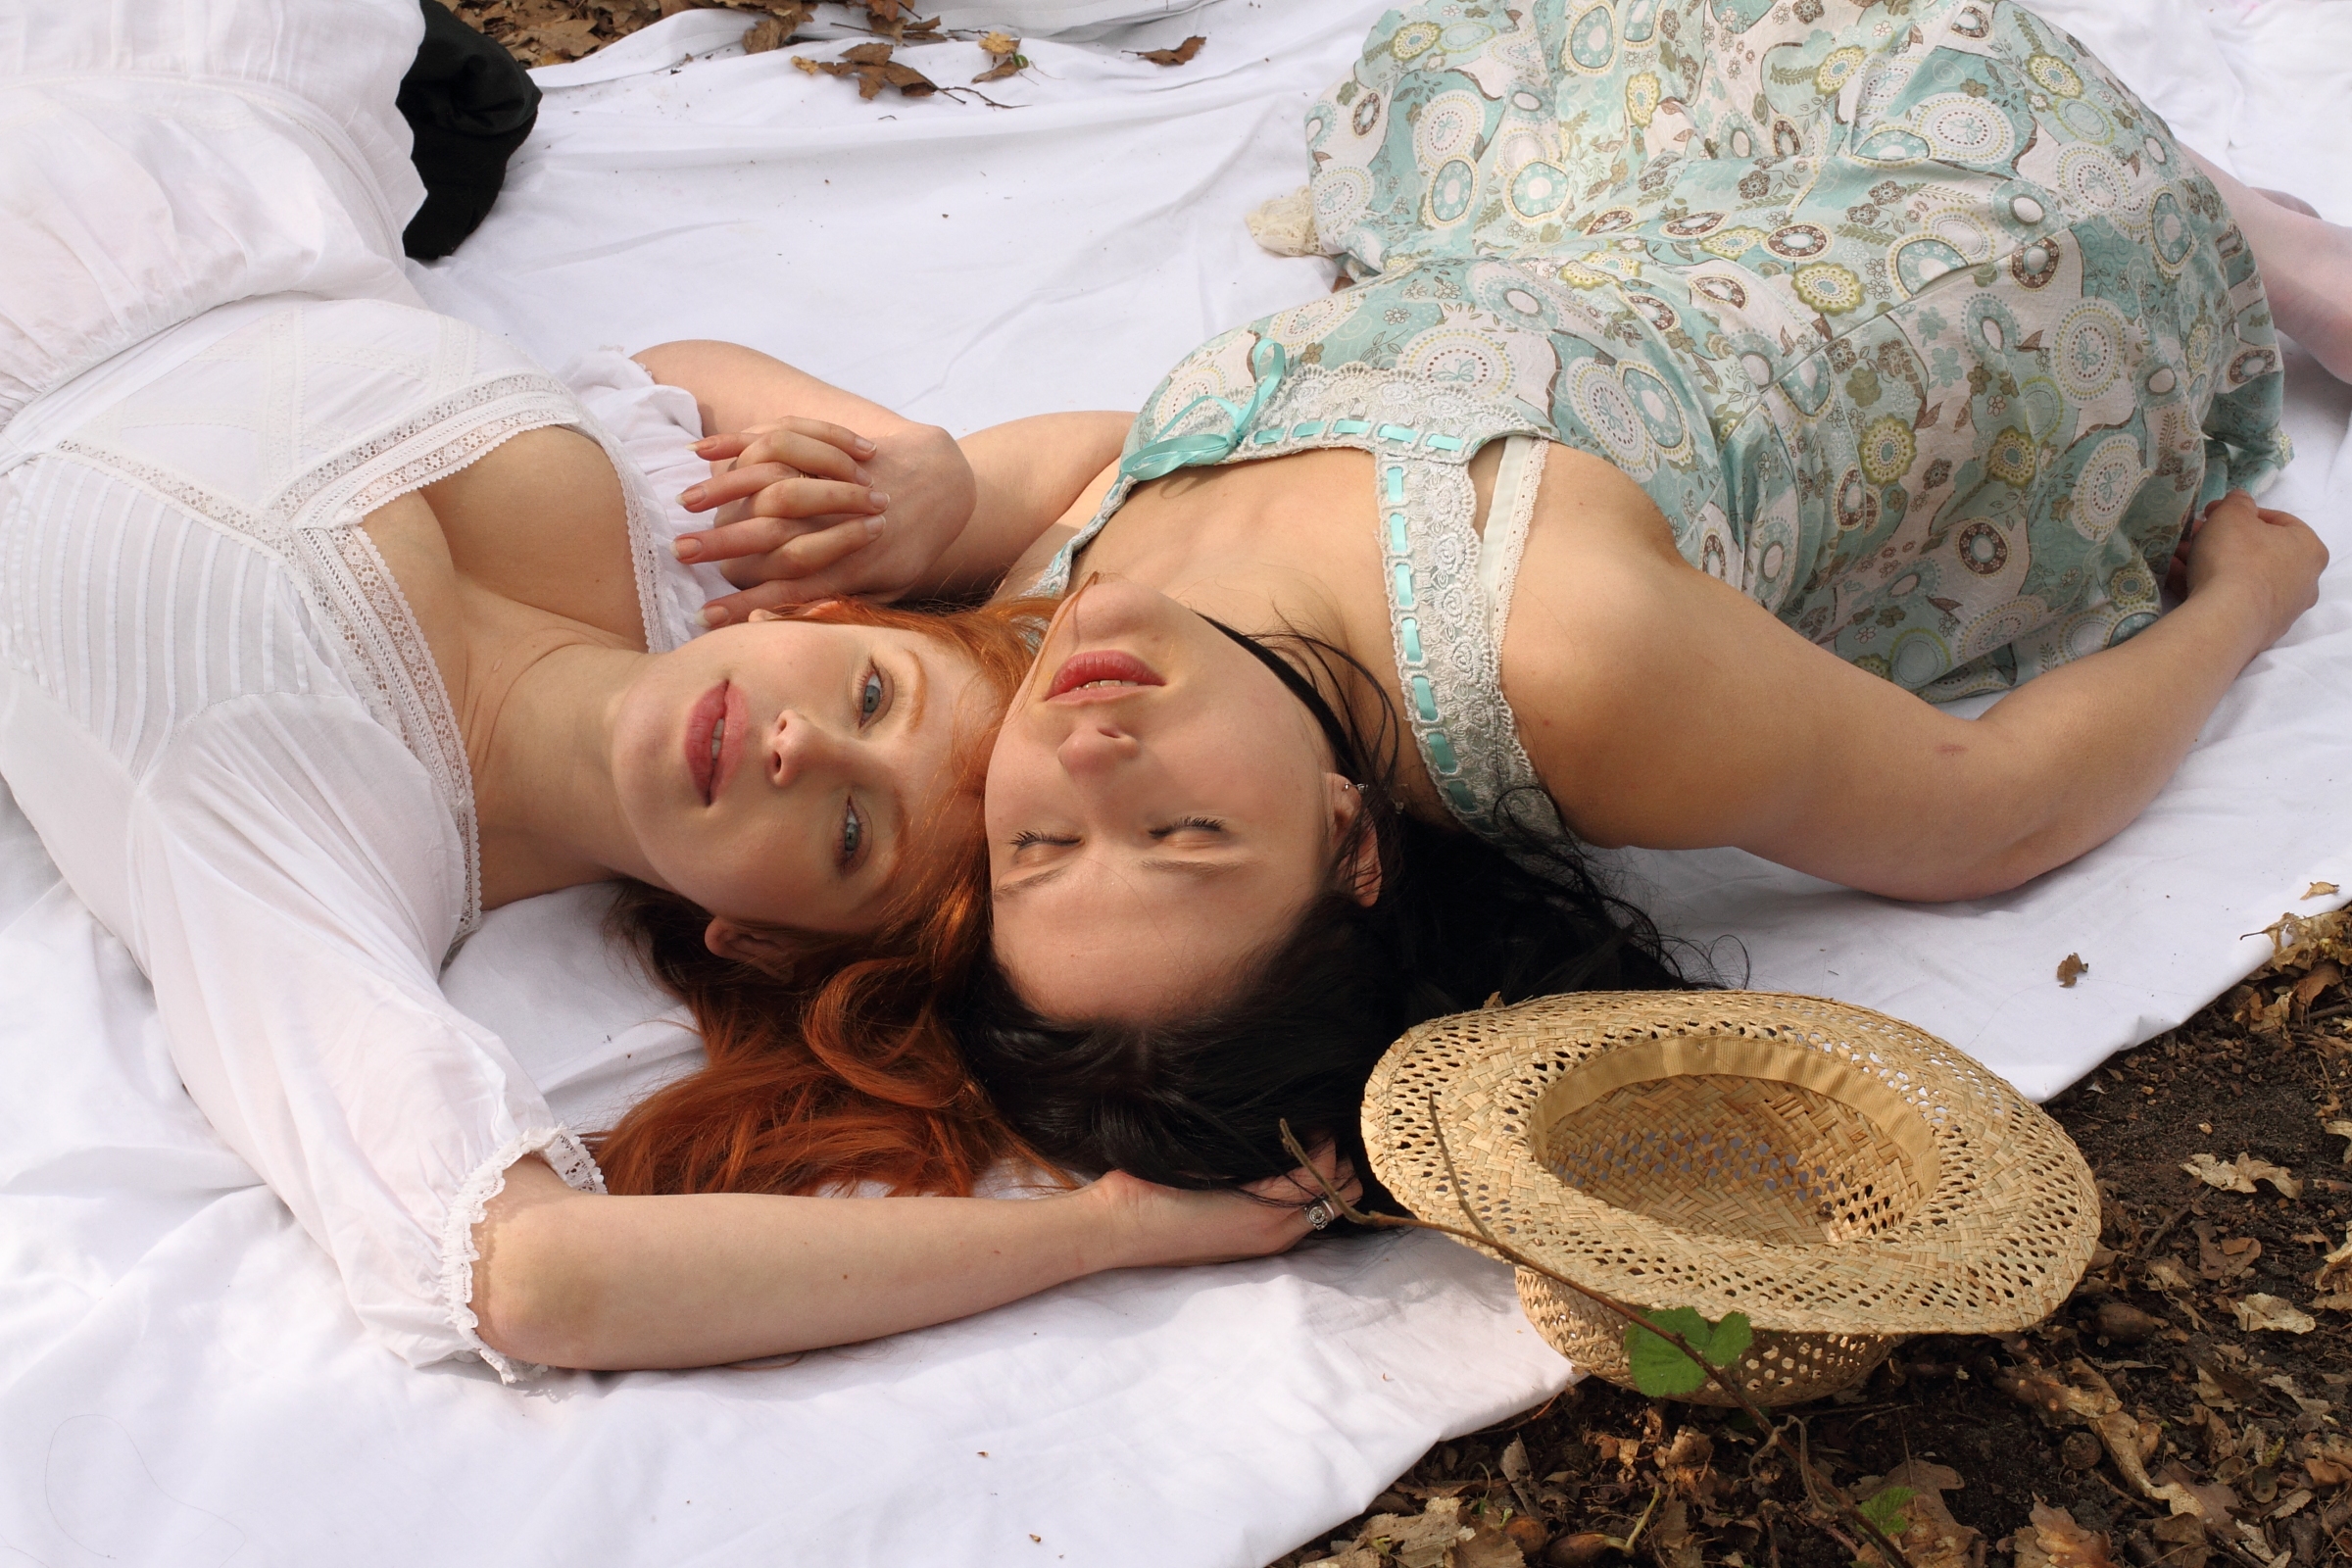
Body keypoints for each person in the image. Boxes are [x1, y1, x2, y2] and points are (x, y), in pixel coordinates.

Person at [667, 0, 2339, 1190]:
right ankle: (2222, 233)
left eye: (1039, 846)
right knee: (1984, 111)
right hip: (1948, 279)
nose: (1093, 762)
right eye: (1186, 833)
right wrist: (2239, 608)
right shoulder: (1556, 661)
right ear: (1351, 837)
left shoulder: (1074, 642)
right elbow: (1990, 813)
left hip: (1596, 229)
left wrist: (954, 486)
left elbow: (1121, 448)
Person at [0, 0, 1354, 1385]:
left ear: (759, 942)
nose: (798, 743)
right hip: (227, 135)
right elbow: (1127, 460)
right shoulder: (701, 570)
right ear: (836, 619)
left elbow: (534, 1276)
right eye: (872, 694)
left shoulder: (319, 827)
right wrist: (919, 475)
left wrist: (1103, 1232)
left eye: (852, 834)